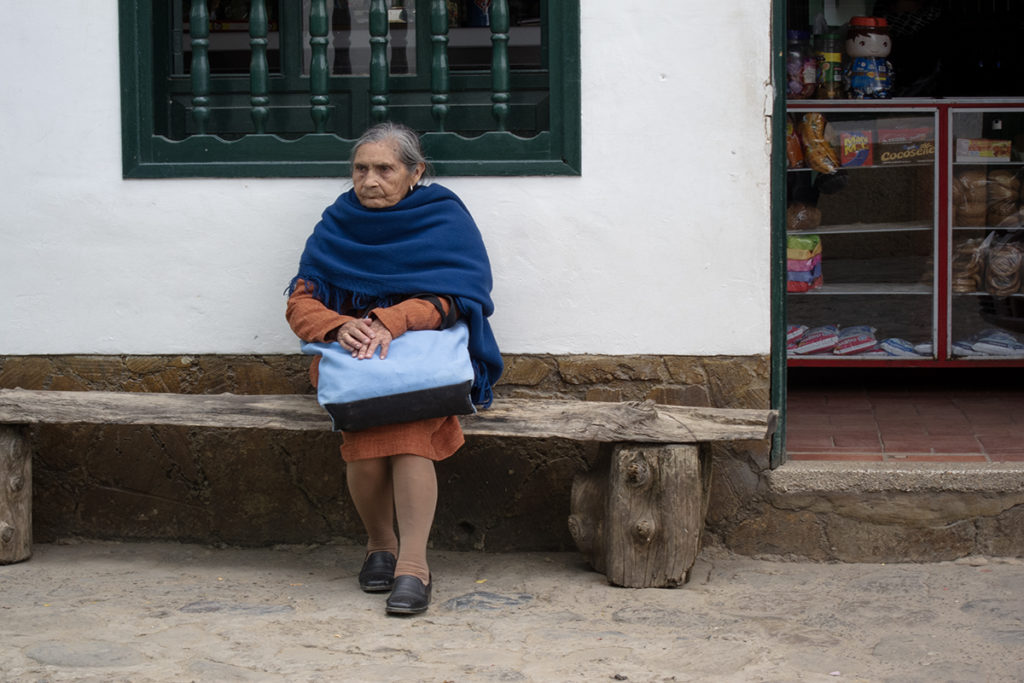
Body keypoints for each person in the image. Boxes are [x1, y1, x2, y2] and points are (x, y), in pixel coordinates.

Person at [286, 122, 502, 615]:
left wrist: (395, 318)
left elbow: (460, 298)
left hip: (424, 363)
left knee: (408, 439)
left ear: (415, 171)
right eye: (360, 169)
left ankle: (411, 564)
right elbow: (301, 303)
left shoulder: (443, 216)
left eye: (384, 169)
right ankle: (380, 544)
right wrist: (340, 325)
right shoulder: (338, 223)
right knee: (366, 443)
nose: (369, 180)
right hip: (353, 360)